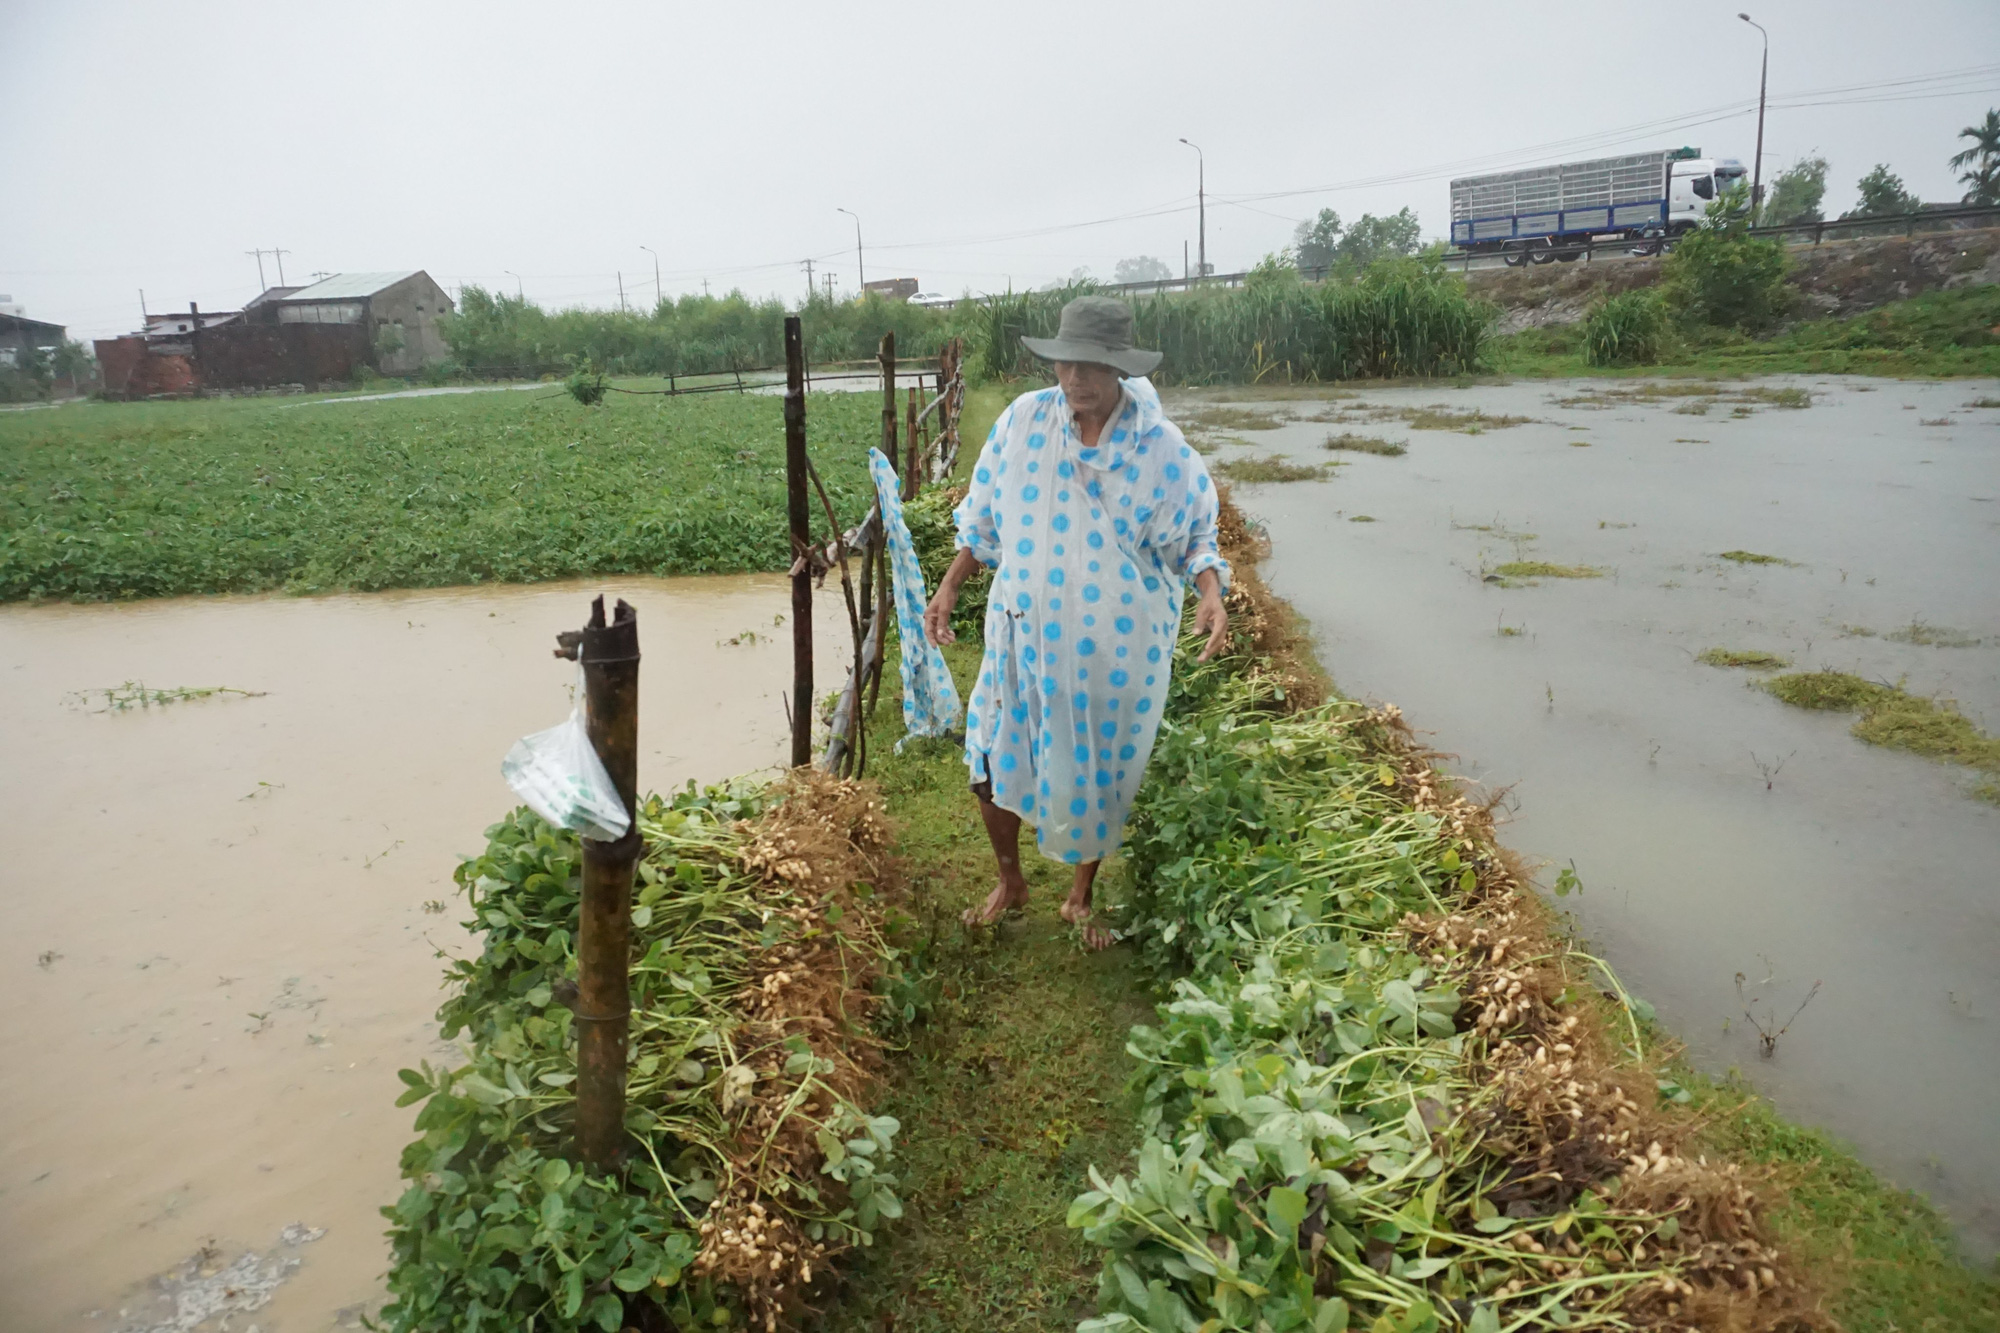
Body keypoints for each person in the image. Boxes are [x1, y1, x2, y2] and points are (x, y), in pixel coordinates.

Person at [922, 296, 1229, 950]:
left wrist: (1210, 592)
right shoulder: (1023, 423)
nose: (1074, 379)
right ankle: (1012, 880)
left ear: (1118, 367)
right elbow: (983, 521)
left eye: (1089, 365)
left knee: (1098, 766)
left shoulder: (1158, 449)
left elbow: (1196, 532)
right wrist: (949, 585)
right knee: (989, 754)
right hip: (1021, 636)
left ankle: (1079, 895)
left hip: (1111, 649)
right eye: (1065, 363)